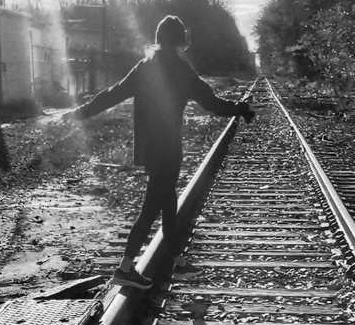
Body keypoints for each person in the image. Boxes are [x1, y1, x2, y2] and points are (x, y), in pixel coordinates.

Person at [65, 15, 255, 289]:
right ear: (181, 41)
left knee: (167, 202)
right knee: (153, 206)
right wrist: (242, 109)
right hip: (168, 147)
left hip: (150, 148)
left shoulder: (144, 68)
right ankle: (126, 267)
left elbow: (111, 95)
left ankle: (177, 261)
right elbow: (212, 103)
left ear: (157, 40)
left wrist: (78, 114)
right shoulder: (183, 70)